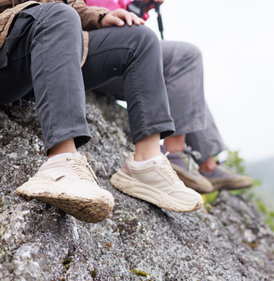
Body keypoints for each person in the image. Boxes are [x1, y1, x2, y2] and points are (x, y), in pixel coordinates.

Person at [0, 0, 203, 223]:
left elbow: (67, 4)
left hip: (55, 40)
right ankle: (61, 163)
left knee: (140, 38)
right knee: (58, 16)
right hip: (12, 45)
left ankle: (146, 163)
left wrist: (99, 17)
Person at [86, 0, 254, 193]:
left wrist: (142, 5)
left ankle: (207, 164)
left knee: (187, 85)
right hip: (96, 56)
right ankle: (173, 153)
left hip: (112, 58)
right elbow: (108, 19)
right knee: (186, 57)